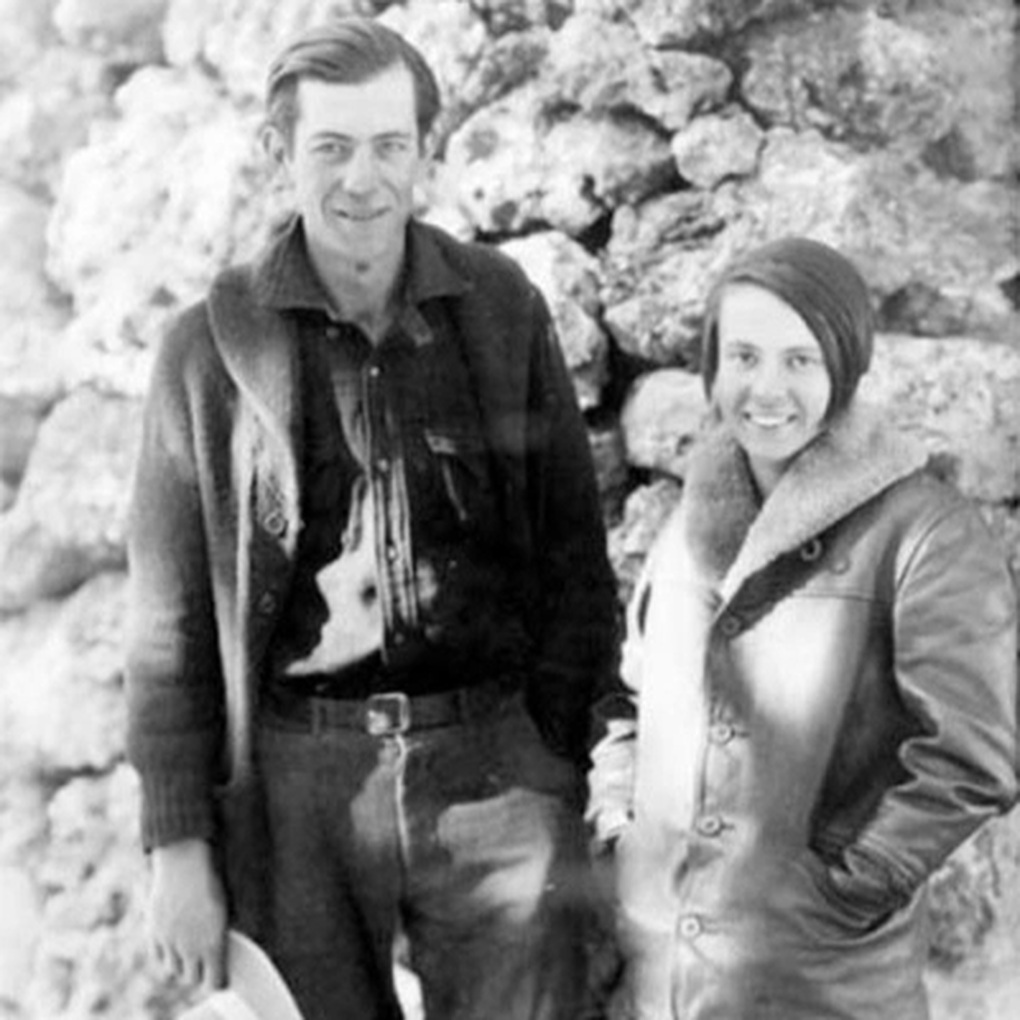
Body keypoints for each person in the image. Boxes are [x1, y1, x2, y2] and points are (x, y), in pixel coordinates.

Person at [125, 16, 618, 1020]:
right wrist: (177, 843)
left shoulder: (498, 308)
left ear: (426, 150)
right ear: (280, 153)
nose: (363, 179)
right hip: (298, 788)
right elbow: (167, 623)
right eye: (331, 147)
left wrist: (552, 763)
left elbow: (575, 556)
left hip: (493, 774)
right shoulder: (208, 349)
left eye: (391, 145)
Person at [586, 237, 1019, 1019]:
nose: (767, 388)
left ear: (844, 368)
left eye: (800, 359)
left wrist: (840, 892)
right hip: (663, 990)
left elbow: (973, 758)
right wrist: (623, 831)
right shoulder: (688, 527)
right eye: (743, 356)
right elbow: (632, 700)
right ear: (712, 368)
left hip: (821, 990)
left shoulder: (924, 533)